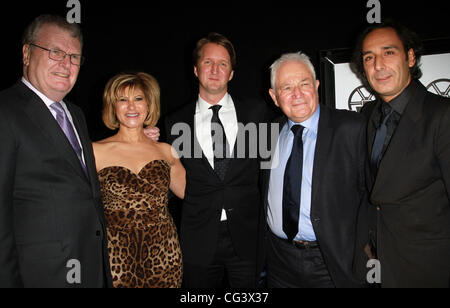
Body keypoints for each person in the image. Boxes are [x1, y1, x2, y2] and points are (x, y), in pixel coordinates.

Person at [0, 14, 111, 287]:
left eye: (75, 57)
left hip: (91, 271)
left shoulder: (76, 114)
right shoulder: (5, 110)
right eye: (55, 52)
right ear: (27, 53)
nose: (66, 63)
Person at [164, 33, 273, 288]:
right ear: (195, 69)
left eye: (223, 64)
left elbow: (269, 170)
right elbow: (168, 172)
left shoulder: (256, 112)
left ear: (232, 73)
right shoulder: (175, 122)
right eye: (208, 62)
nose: (215, 69)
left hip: (247, 239)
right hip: (198, 240)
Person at [352, 20, 450, 288]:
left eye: (389, 52)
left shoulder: (442, 115)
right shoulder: (368, 115)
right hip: (380, 264)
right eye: (369, 57)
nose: (378, 65)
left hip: (430, 269)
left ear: (410, 57)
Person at [263, 52, 369, 288]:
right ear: (274, 96)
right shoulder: (266, 135)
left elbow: (373, 195)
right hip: (279, 260)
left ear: (317, 86)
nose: (297, 94)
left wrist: (365, 249)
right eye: (286, 87)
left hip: (333, 261)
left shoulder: (352, 129)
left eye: (304, 84)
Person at [93, 72, 186, 288]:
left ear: (149, 104)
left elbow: (192, 193)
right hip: (115, 258)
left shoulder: (165, 150)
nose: (131, 107)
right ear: (112, 106)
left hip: (165, 255)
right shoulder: (94, 151)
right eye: (122, 100)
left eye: (138, 99)